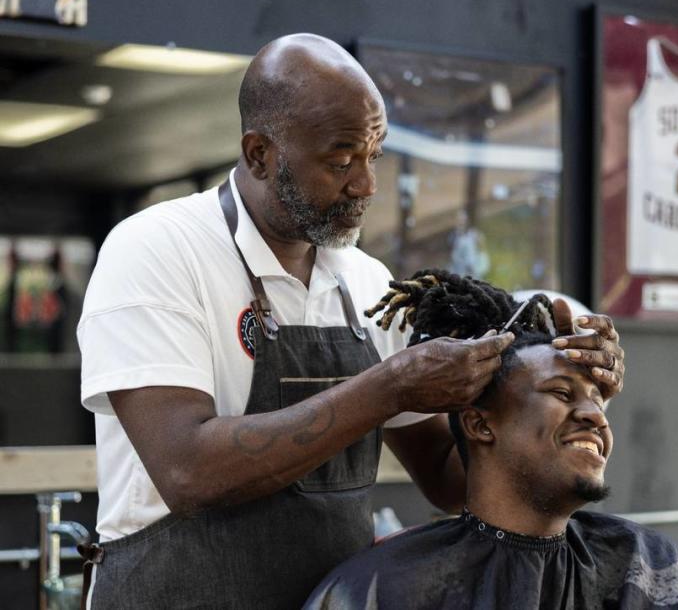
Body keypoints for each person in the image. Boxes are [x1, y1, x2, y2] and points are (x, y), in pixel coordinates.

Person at [76, 34, 625, 609]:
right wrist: (389, 388)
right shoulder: (159, 250)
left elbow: (446, 478)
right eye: (341, 161)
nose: (366, 185)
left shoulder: (363, 284)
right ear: (259, 153)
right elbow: (187, 471)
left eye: (373, 155)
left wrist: (563, 402)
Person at [305, 270, 678, 610]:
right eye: (560, 393)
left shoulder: (650, 567)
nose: (595, 416)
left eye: (598, 400)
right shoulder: (379, 591)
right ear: (481, 425)